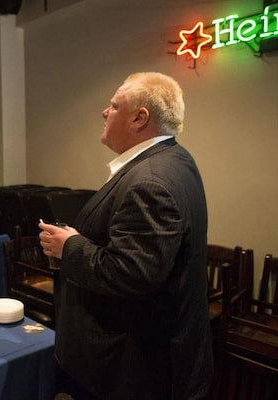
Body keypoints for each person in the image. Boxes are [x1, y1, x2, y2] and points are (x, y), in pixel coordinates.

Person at [39, 72, 213, 400]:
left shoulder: (149, 181)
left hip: (133, 366)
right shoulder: (175, 158)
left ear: (139, 118)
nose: (105, 112)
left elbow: (133, 273)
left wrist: (70, 246)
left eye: (114, 106)